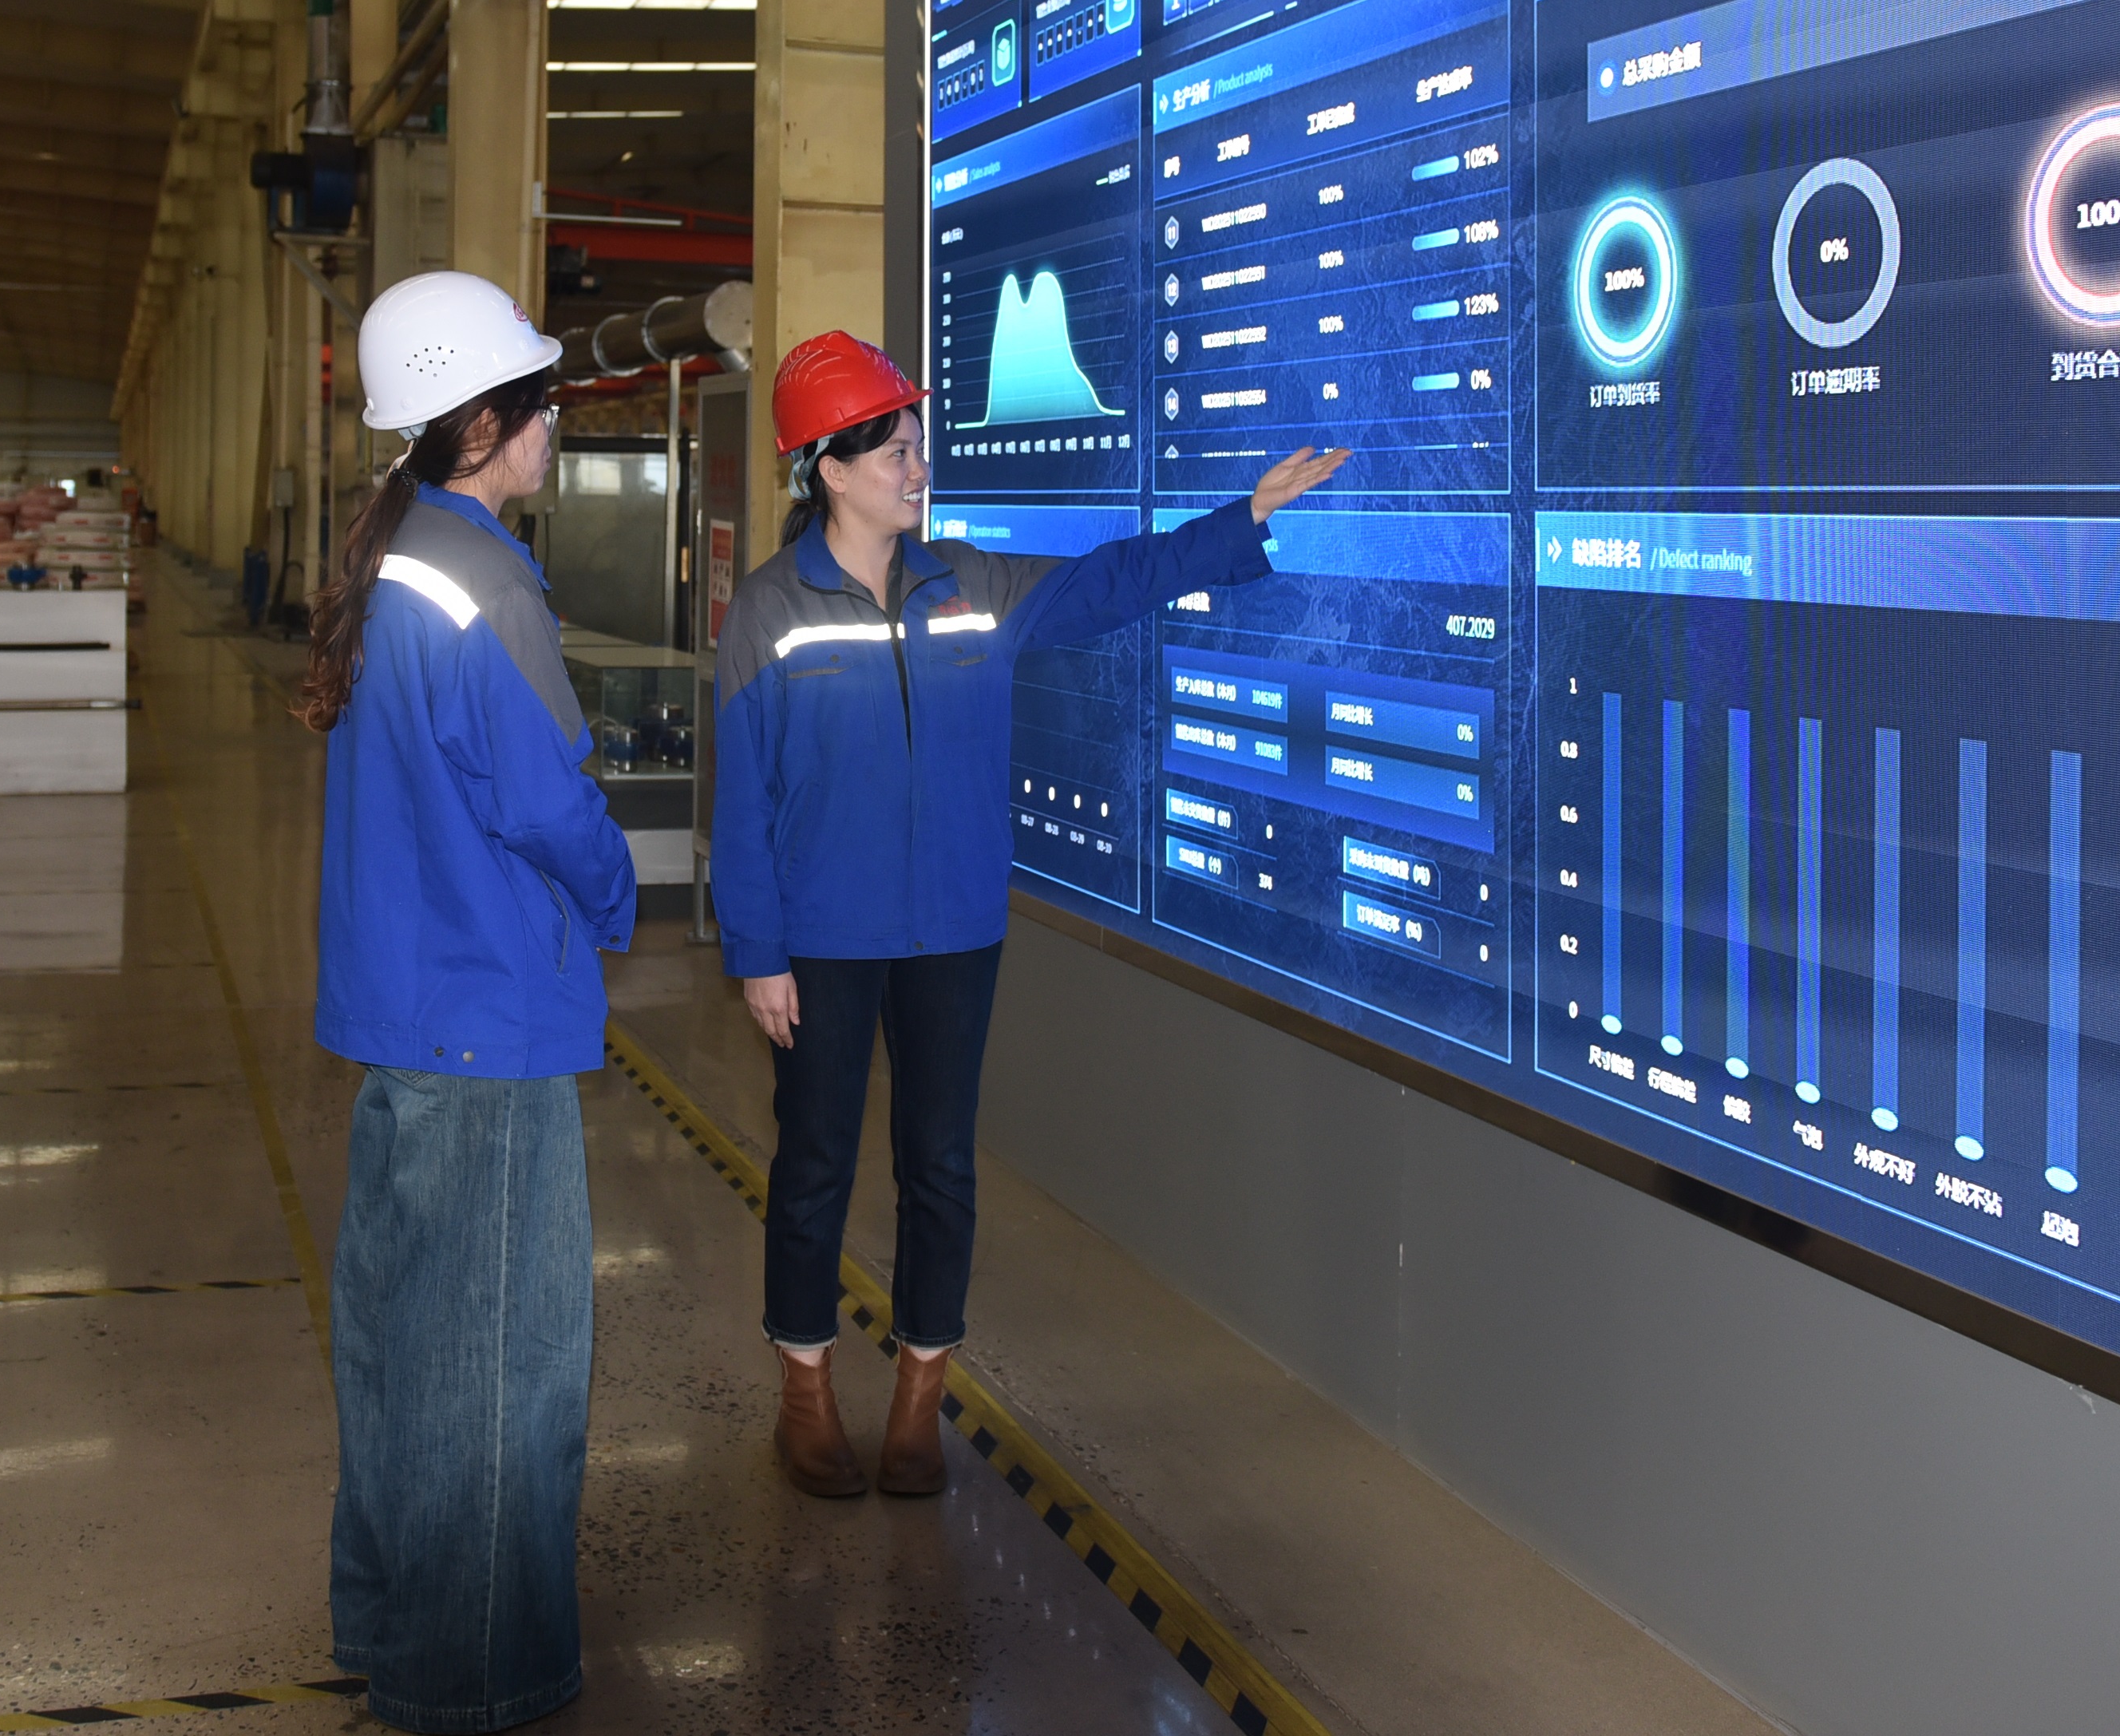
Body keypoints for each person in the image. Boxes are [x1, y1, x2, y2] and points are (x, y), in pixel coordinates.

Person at [707, 330, 1344, 1497]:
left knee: (941, 1166)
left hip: (953, 930)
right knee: (814, 1165)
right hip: (821, 937)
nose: (918, 468)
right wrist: (759, 952)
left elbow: (1108, 582)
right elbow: (742, 796)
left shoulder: (973, 588)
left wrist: (1240, 520)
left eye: (918, 445)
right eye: (895, 451)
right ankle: (806, 1390)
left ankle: (919, 1397)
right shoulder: (767, 611)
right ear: (831, 470)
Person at [299, 269, 638, 1734]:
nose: (558, 424)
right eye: (542, 403)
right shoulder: (485, 581)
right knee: (500, 1375)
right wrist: (621, 899)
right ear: (484, 424)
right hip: (488, 1019)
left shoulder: (398, 557)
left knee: (401, 1351)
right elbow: (550, 806)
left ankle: (390, 1628)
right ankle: (475, 1675)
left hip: (406, 1007)